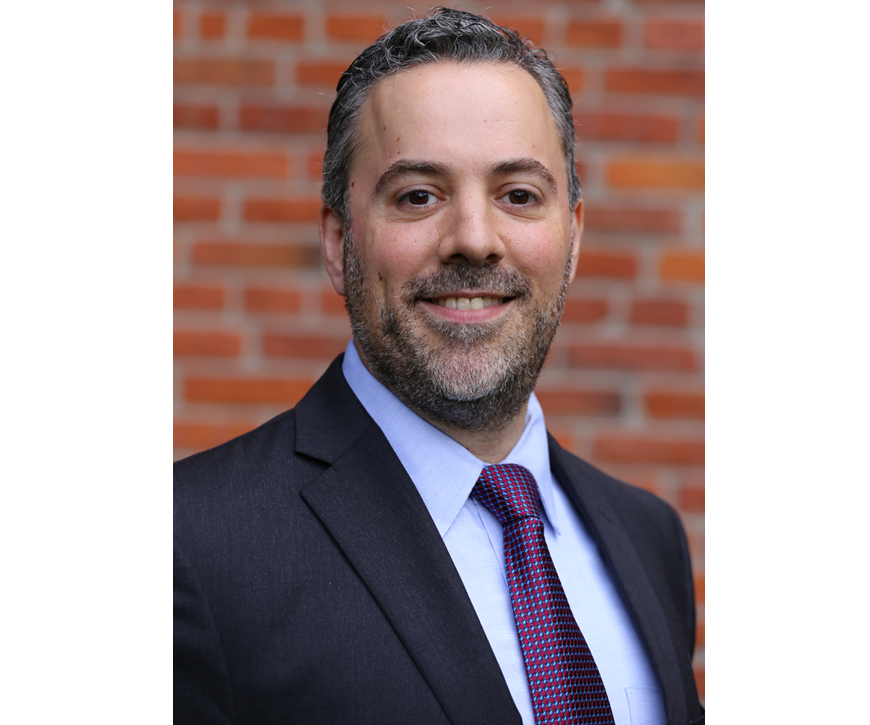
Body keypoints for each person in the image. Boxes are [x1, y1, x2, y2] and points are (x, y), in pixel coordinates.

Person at [174, 8, 704, 725]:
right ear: (338, 242)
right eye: (418, 195)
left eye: (519, 195)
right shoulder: (190, 542)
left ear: (572, 237)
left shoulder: (649, 538)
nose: (474, 240)